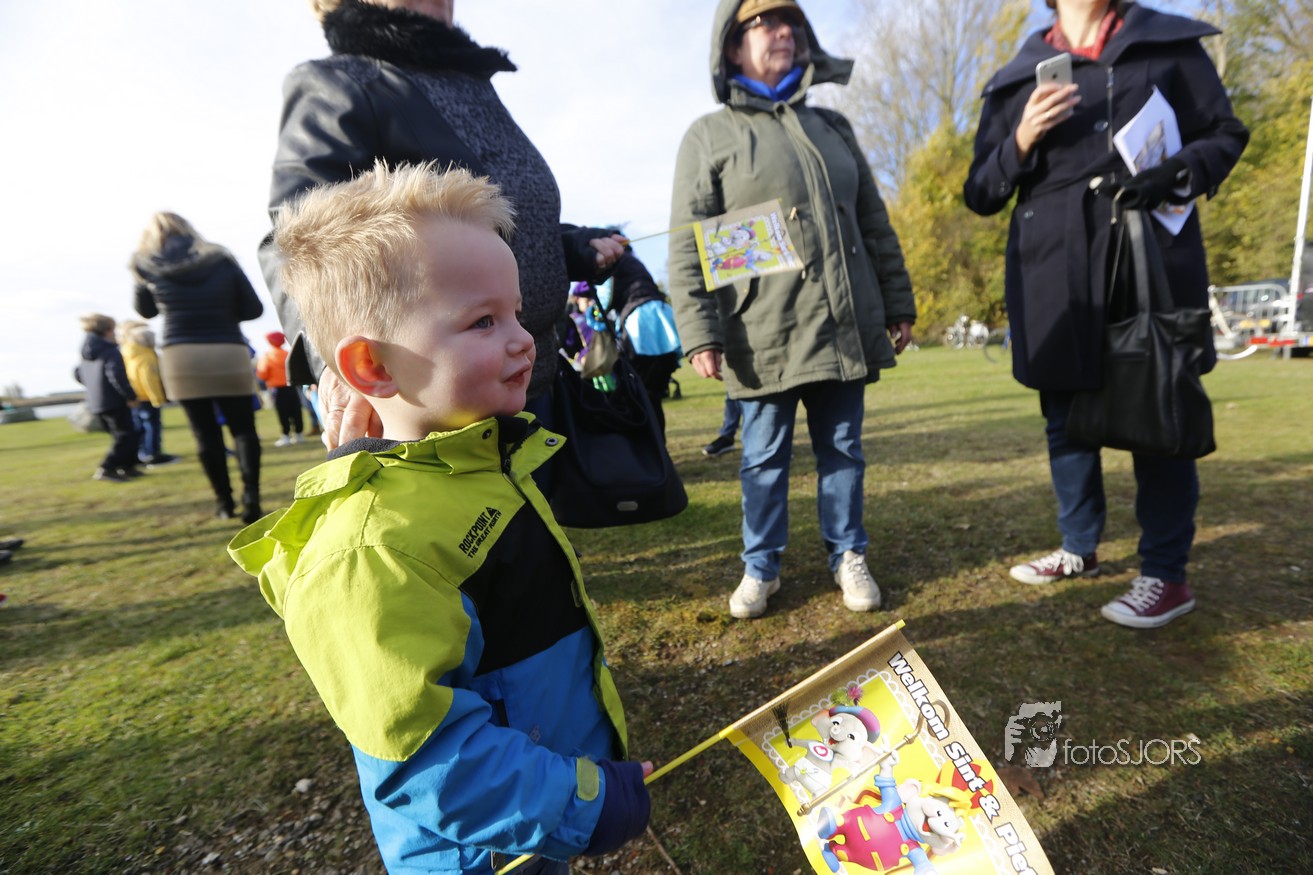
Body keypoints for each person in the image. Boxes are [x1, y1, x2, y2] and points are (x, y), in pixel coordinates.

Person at [230, 162, 651, 875]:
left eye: (516, 312)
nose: (524, 339)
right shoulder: (370, 548)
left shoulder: (481, 462)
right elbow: (424, 754)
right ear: (374, 367)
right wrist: (580, 803)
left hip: (533, 813)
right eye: (483, 320)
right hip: (480, 851)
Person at [963, 0, 1248, 628]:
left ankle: (1165, 575)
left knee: (1160, 408)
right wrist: (1021, 139)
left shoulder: (1166, 45)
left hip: (1149, 254)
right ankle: (1078, 549)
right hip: (1052, 267)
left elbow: (1225, 134)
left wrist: (1173, 174)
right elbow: (980, 191)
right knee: (1065, 418)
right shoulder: (1017, 77)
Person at [260, 0, 627, 447]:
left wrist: (568, 247)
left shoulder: (476, 86)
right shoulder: (340, 81)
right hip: (440, 405)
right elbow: (297, 238)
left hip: (533, 377)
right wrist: (332, 364)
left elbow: (495, 227)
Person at [669, 0, 917, 620]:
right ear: (732, 46)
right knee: (761, 459)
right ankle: (761, 567)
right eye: (765, 22)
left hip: (842, 324)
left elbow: (874, 223)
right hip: (760, 332)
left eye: (792, 22)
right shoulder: (708, 135)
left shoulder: (834, 127)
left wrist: (897, 300)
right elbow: (688, 241)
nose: (784, 31)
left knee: (844, 451)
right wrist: (700, 332)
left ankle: (848, 554)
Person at [131, 212, 267, 523]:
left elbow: (146, 311)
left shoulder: (145, 264)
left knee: (205, 435)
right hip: (227, 349)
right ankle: (252, 499)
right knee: (244, 431)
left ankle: (224, 502)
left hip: (182, 355)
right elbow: (253, 308)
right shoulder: (220, 257)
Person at [605, 251, 683, 436]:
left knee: (640, 393)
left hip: (640, 325)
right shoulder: (635, 263)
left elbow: (605, 296)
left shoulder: (610, 262)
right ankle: (658, 444)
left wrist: (595, 314)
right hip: (663, 319)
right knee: (654, 395)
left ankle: (648, 445)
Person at [75, 314, 143, 483]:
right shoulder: (109, 350)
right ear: (107, 330)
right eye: (114, 330)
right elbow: (116, 375)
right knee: (126, 435)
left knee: (124, 435)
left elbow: (78, 374)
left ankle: (127, 466)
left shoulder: (86, 353)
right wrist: (130, 395)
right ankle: (107, 468)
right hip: (114, 400)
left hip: (97, 401)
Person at [117, 320, 178, 467]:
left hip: (136, 396)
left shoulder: (128, 353)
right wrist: (158, 398)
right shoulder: (146, 355)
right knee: (152, 425)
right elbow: (149, 379)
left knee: (141, 426)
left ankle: (143, 453)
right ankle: (152, 454)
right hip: (147, 397)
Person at [255, 331, 304, 447]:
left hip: (277, 390)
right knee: (296, 411)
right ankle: (299, 435)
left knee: (283, 413)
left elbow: (262, 374)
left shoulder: (267, 356)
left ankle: (286, 436)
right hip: (292, 386)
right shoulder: (288, 353)